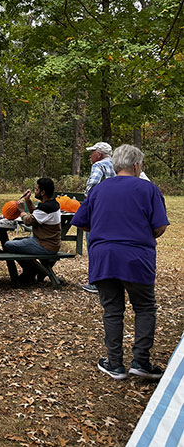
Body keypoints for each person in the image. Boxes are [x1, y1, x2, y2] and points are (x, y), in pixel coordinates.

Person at [71, 145, 169, 381]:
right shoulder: (149, 189)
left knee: (112, 309)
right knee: (144, 307)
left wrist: (103, 232)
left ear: (115, 165)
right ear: (136, 166)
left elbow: (82, 221)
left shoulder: (98, 190)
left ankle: (115, 363)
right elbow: (160, 226)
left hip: (104, 257)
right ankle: (141, 361)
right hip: (137, 257)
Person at [3, 177, 61, 283]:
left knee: (8, 245)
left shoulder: (46, 208)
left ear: (43, 192)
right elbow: (36, 213)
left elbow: (28, 221)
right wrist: (28, 200)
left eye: (37, 189)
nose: (35, 191)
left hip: (44, 245)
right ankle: (30, 271)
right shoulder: (52, 204)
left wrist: (21, 210)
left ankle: (31, 271)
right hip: (51, 243)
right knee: (16, 240)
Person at [82, 142, 116, 293]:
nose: (90, 156)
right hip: (115, 212)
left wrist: (87, 200)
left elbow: (93, 186)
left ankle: (96, 283)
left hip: (99, 212)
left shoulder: (98, 166)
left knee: (94, 244)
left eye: (92, 152)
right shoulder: (118, 166)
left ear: (99, 155)